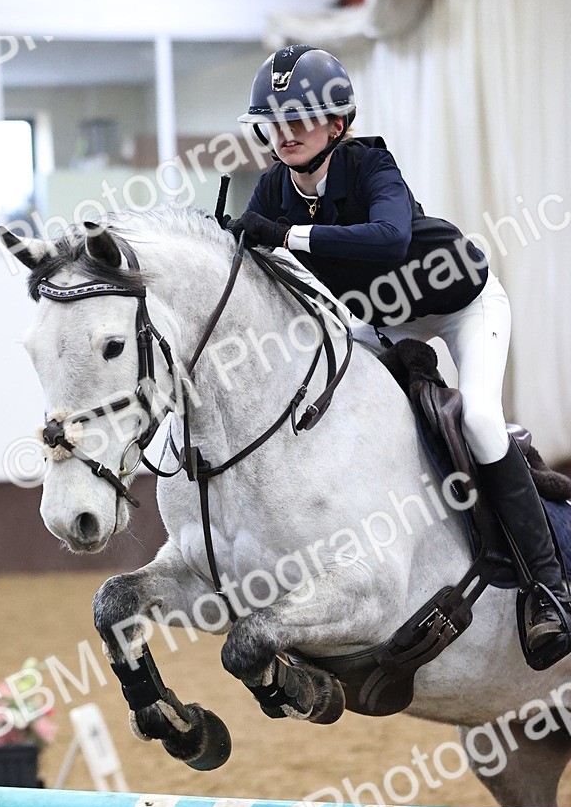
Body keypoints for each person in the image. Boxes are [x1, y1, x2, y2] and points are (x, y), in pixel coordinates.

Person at [231, 43, 570, 667]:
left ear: (338, 124)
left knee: (480, 420)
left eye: (301, 118)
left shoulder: (371, 168)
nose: (286, 133)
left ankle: (549, 589)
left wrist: (285, 236)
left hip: (463, 305)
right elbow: (244, 258)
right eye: (275, 121)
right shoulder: (274, 187)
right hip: (379, 321)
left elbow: (389, 239)